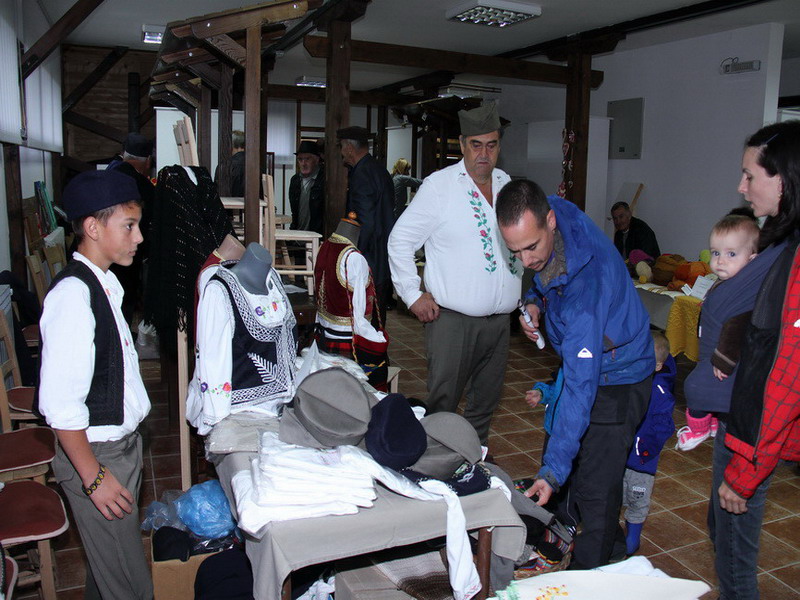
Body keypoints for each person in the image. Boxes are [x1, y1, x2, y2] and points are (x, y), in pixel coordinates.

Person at [496, 178, 654, 569]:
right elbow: (545, 278)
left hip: (621, 377)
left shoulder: (587, 288)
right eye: (515, 251)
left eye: (531, 247)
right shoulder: (551, 213)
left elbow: (581, 386)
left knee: (595, 487)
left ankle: (587, 578)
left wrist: (551, 472)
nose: (525, 261)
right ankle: (612, 549)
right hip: (590, 359)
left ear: (549, 221)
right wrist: (534, 302)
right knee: (579, 465)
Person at [37, 169, 153, 599]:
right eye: (129, 226)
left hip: (116, 450)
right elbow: (60, 405)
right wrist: (94, 477)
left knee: (108, 574)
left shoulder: (103, 283)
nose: (139, 237)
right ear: (93, 227)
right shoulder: (73, 295)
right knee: (129, 586)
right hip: (97, 456)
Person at [388, 100, 521, 444]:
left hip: (499, 322)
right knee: (444, 403)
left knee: (485, 402)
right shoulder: (440, 186)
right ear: (462, 145)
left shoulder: (506, 184)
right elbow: (400, 240)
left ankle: (472, 459)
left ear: (499, 147)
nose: (483, 154)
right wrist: (412, 294)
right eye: (476, 145)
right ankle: (436, 460)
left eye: (491, 145)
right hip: (453, 322)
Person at [713, 120, 800, 600]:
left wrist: (746, 471)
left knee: (735, 559)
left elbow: (788, 375)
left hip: (757, 431)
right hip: (745, 420)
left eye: (750, 176)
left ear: (783, 179)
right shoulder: (779, 242)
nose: (740, 187)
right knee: (721, 531)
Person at [526, 332, 676, 558]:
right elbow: (556, 387)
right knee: (589, 490)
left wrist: (639, 449)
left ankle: (627, 541)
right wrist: (542, 393)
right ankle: (570, 525)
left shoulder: (655, 390)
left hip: (639, 460)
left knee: (634, 498)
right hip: (601, 446)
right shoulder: (585, 371)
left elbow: (660, 427)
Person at [678, 214, 768, 451]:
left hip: (724, 357)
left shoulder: (746, 291)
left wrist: (724, 358)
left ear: (752, 260)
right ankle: (713, 422)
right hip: (711, 350)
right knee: (713, 391)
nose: (720, 261)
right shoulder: (725, 282)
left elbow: (738, 325)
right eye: (715, 253)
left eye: (731, 254)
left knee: (695, 386)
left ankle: (698, 428)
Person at [313, 212, 389, 389]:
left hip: (323, 332)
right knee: (354, 388)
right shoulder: (353, 258)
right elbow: (359, 311)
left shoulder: (324, 246)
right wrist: (372, 338)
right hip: (347, 337)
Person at [337, 126, 395, 322]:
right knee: (378, 312)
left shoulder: (361, 173)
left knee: (365, 311)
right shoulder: (379, 169)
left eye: (342, 147)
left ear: (349, 148)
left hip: (369, 254)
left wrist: (354, 254)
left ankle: (369, 342)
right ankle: (378, 341)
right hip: (382, 250)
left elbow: (364, 221)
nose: (341, 152)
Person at [108, 132, 155, 325]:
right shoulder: (141, 184)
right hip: (125, 254)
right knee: (124, 298)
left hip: (104, 251)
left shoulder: (109, 173)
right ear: (147, 161)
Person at [289, 139, 325, 235]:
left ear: (317, 160)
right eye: (300, 159)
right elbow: (294, 212)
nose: (303, 163)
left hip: (317, 236)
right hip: (298, 235)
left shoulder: (324, 179)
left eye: (307, 159)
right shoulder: (295, 180)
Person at [214, 129, 246, 197]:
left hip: (229, 203)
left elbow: (217, 193)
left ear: (231, 145)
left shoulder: (224, 166)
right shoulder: (255, 165)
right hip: (254, 203)